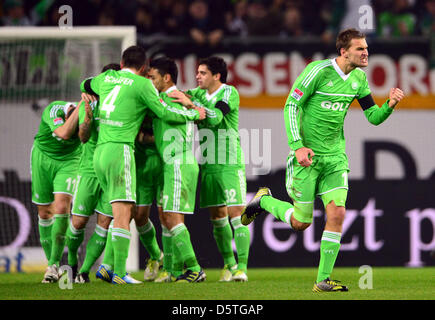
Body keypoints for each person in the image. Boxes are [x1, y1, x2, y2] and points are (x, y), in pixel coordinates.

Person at [241, 28, 404, 292]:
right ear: (344, 51)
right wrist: (297, 147)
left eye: (366, 48)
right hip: (307, 157)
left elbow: (373, 117)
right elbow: (291, 106)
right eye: (360, 48)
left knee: (337, 213)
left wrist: (390, 104)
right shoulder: (318, 71)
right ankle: (264, 201)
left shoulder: (359, 79)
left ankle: (322, 280)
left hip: (335, 158)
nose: (366, 52)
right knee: (300, 223)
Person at [79, 45, 205, 284]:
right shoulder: (143, 86)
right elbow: (164, 112)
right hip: (122, 151)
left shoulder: (107, 78)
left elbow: (86, 83)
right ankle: (120, 272)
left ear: (121, 61)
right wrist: (193, 112)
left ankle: (116, 267)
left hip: (101, 153)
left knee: (126, 214)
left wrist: (89, 93)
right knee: (125, 213)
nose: (149, 78)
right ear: (143, 67)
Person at [171, 56, 250, 282]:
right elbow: (176, 96)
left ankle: (242, 268)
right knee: (217, 216)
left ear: (217, 76)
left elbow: (215, 117)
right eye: (197, 72)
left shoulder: (229, 93)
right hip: (207, 163)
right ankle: (229, 264)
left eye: (203, 73)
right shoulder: (197, 93)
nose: (197, 76)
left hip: (229, 162)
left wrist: (190, 104)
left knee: (237, 214)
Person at [147, 57, 205, 283]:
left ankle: (194, 268)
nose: (150, 82)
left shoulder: (169, 98)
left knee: (171, 216)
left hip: (179, 162)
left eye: (153, 78)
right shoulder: (174, 96)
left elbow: (166, 114)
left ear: (166, 77)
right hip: (170, 163)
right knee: (165, 215)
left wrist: (193, 112)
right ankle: (171, 270)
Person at [66, 63, 121, 284]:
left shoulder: (123, 107)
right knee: (78, 222)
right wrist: (87, 118)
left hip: (111, 171)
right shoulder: (87, 104)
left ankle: (84, 272)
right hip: (89, 170)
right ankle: (71, 261)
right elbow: (83, 138)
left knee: (104, 223)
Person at [31, 98, 82, 283]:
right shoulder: (54, 109)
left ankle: (53, 265)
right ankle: (53, 263)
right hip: (43, 157)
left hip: (70, 161)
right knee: (44, 212)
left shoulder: (88, 115)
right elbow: (63, 133)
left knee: (61, 208)